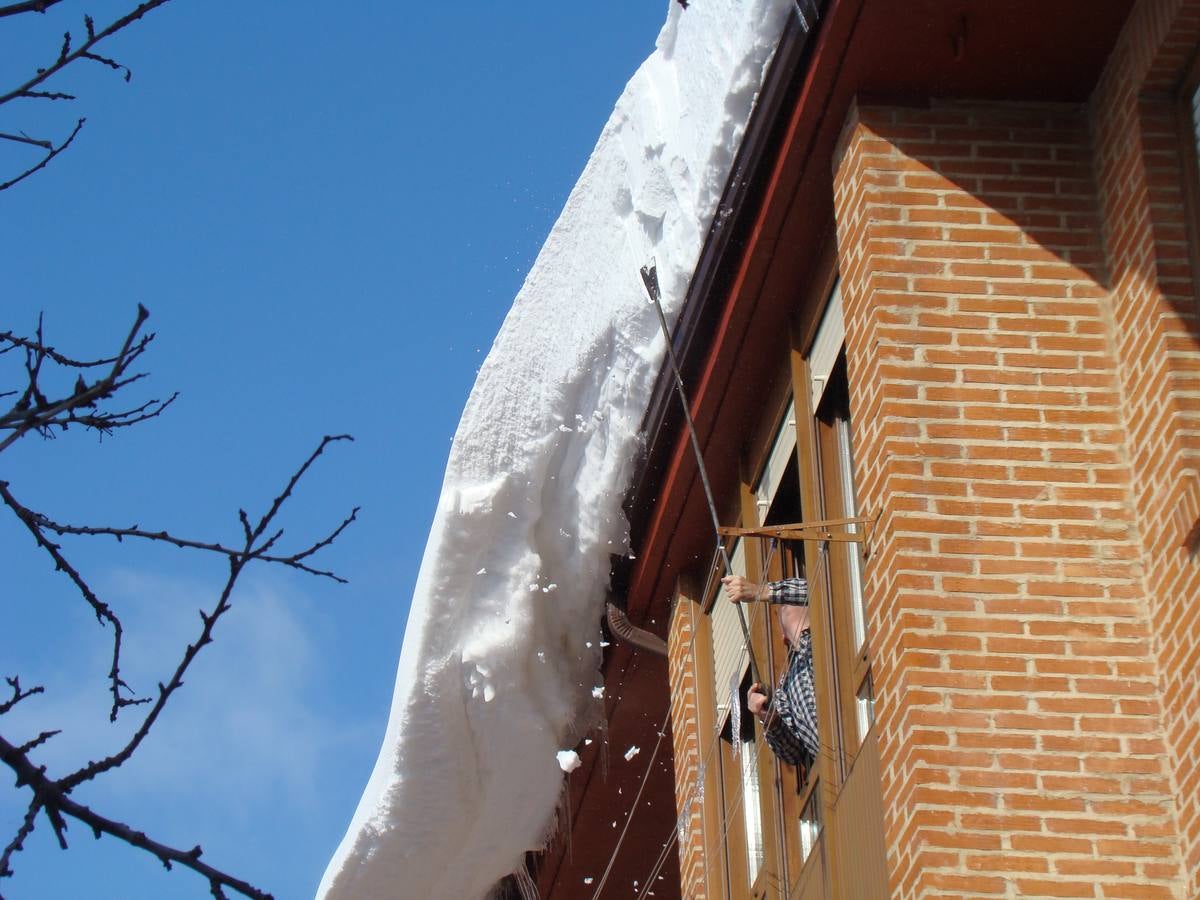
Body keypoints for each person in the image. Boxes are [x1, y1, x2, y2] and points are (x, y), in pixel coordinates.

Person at [722, 574, 818, 771]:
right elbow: (794, 753)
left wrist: (761, 591)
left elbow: (823, 582)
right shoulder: (787, 686)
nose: (788, 603)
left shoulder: (834, 624)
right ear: (784, 637)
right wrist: (770, 719)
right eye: (783, 606)